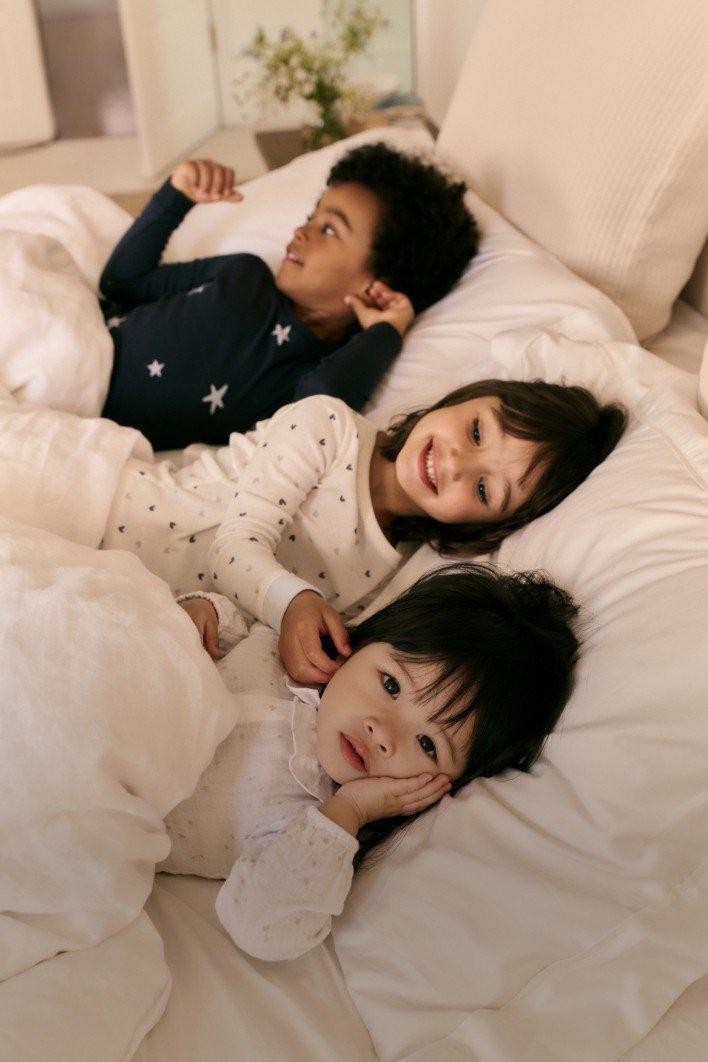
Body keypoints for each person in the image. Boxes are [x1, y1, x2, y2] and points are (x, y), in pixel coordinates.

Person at [174, 562, 580, 961]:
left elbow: (260, 926)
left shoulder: (301, 819)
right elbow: (230, 615)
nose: (383, 732)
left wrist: (349, 811)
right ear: (363, 643)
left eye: (427, 744)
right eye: (390, 684)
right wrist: (203, 612)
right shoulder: (288, 652)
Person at [101, 378, 626, 684]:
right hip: (107, 509)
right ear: (468, 396)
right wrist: (296, 605)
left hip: (141, 601)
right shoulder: (330, 427)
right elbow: (234, 548)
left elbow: (252, 617)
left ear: (490, 526)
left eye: (486, 490)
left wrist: (240, 624)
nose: (457, 463)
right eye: (475, 431)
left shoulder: (389, 576)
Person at [98, 143, 479, 450]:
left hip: (93, 429)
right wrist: (176, 194)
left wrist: (385, 333)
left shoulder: (309, 376)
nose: (301, 231)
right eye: (312, 216)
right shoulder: (242, 274)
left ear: (376, 285)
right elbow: (122, 284)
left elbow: (319, 409)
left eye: (328, 229)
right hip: (82, 351)